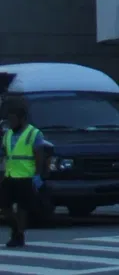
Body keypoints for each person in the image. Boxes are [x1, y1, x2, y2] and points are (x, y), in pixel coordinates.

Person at [1, 99, 50, 249]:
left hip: (26, 177)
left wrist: (38, 175)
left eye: (13, 119)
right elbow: (5, 153)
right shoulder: (8, 134)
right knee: (4, 207)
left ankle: (18, 235)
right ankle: (17, 230)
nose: (11, 123)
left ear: (22, 119)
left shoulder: (33, 133)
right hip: (10, 176)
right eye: (9, 120)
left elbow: (39, 155)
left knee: (23, 208)